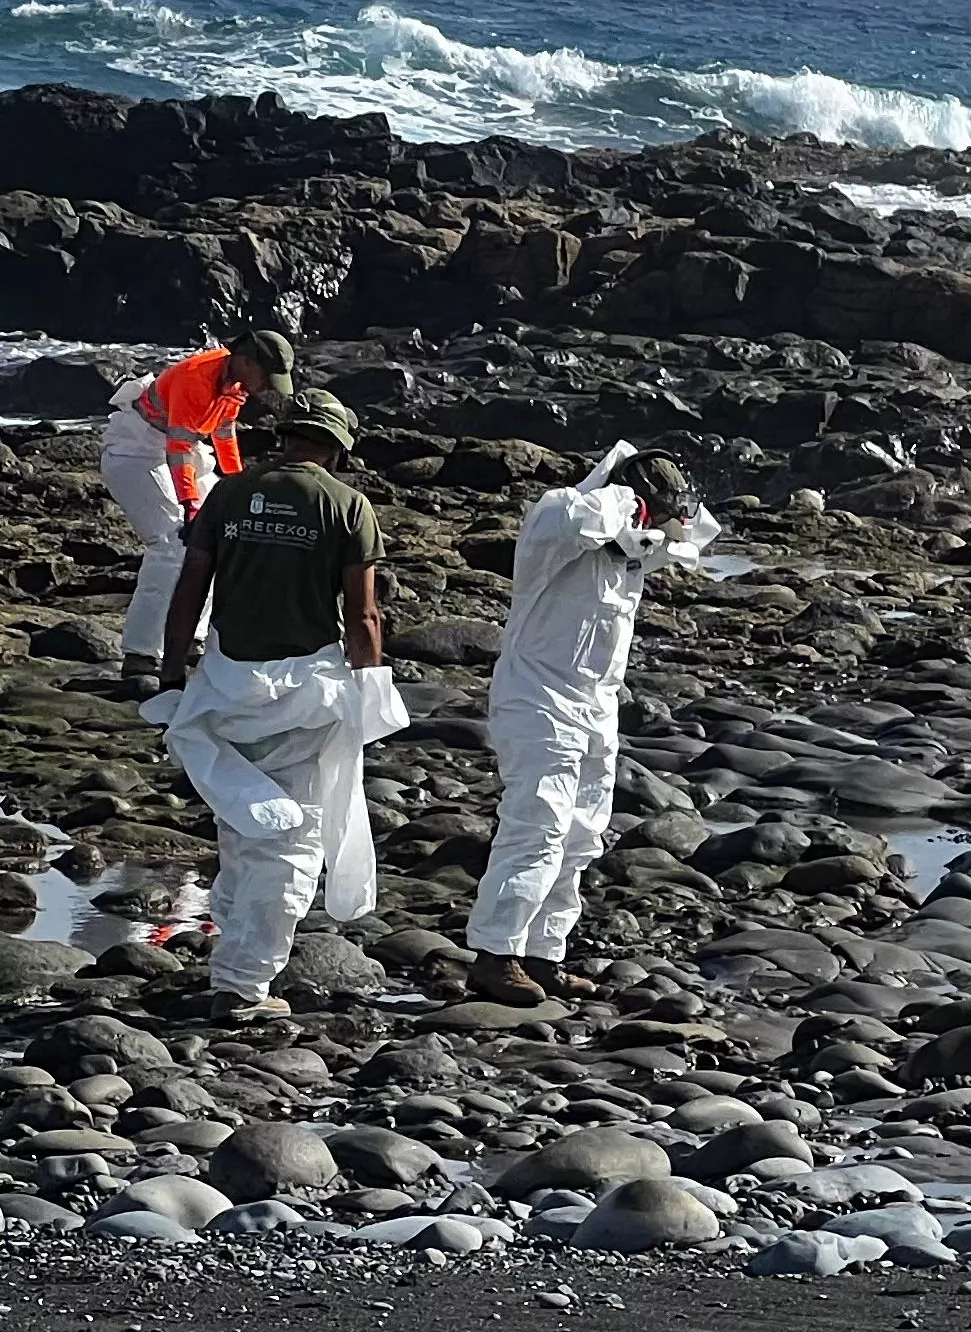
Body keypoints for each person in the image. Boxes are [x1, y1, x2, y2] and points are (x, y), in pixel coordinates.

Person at [148, 393, 403, 1020]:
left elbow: (190, 590)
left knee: (241, 826)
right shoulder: (348, 506)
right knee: (291, 839)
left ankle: (230, 961)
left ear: (284, 437)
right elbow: (362, 613)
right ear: (337, 447)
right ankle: (242, 985)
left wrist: (171, 673)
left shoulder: (230, 494)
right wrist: (372, 691)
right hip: (303, 695)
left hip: (225, 686)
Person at [464, 442, 718, 1004]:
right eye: (649, 508)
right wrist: (630, 499)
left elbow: (696, 538)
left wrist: (665, 518)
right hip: (537, 697)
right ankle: (495, 954)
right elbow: (585, 516)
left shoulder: (630, 551)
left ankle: (543, 953)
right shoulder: (560, 519)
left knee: (581, 832)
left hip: (594, 704)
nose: (653, 522)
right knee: (538, 825)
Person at [102, 327, 293, 683]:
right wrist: (190, 504)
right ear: (246, 361)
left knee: (216, 535)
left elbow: (223, 431)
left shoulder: (236, 383)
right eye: (266, 376)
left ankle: (193, 638)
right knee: (171, 543)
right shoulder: (196, 379)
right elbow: (177, 448)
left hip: (182, 451)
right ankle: (141, 653)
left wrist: (237, 482)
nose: (267, 387)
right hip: (137, 453)